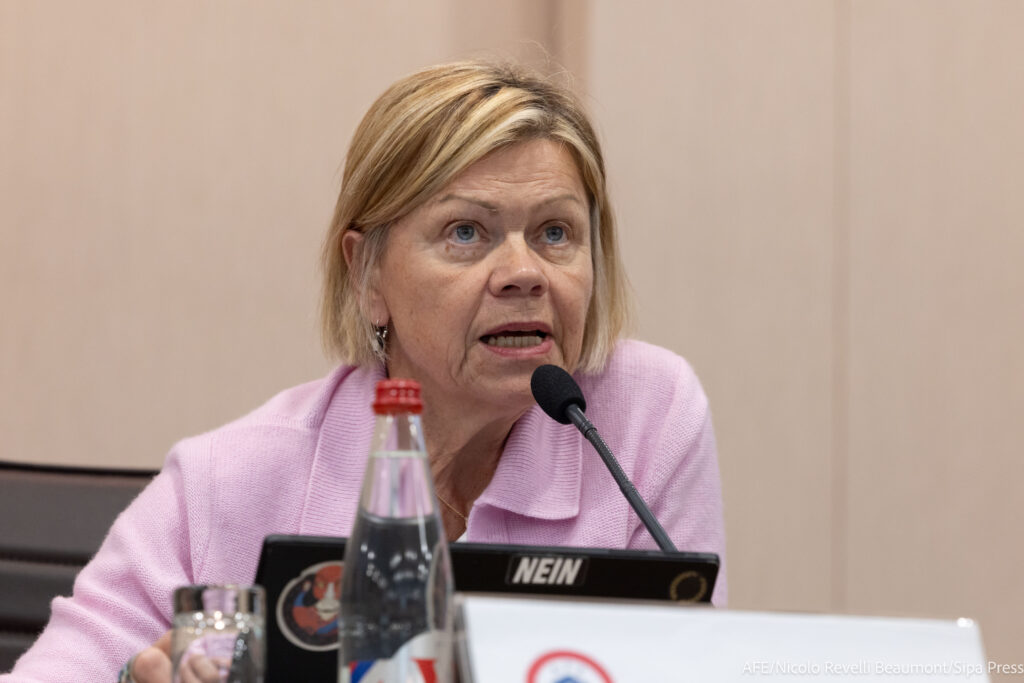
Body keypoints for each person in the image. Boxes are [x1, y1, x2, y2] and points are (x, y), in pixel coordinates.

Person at [2, 59, 726, 682]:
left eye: (555, 232)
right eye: (466, 231)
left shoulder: (643, 417)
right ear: (368, 274)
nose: (524, 271)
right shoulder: (229, 479)